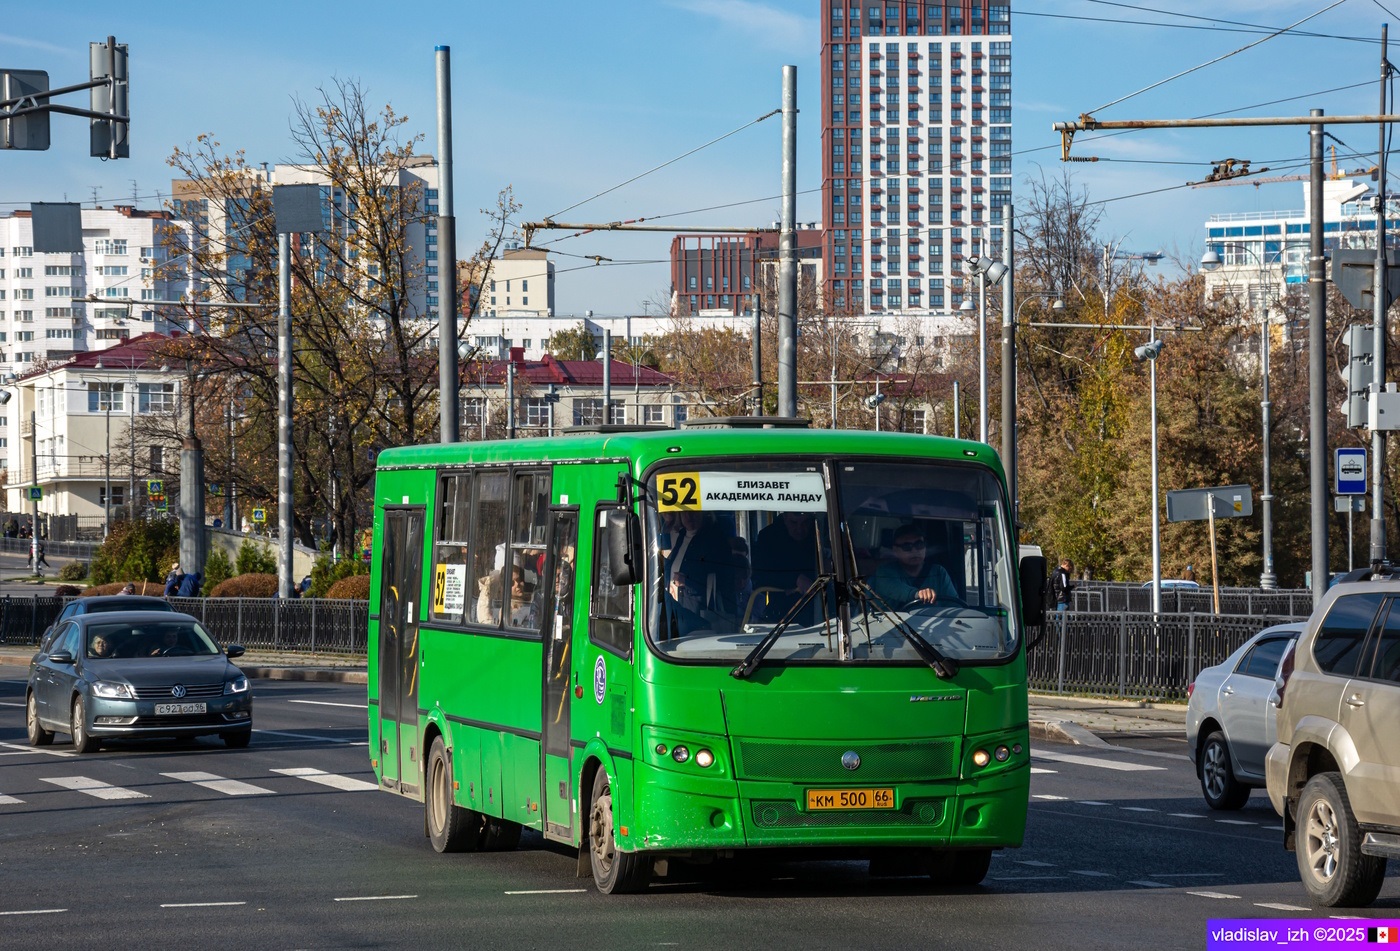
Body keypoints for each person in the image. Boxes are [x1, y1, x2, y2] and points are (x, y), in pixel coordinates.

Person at [751, 511, 827, 622]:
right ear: (785, 518)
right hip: (782, 615)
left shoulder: (821, 534)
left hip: (822, 611)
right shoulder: (768, 538)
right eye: (794, 523)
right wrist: (795, 579)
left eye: (805, 523)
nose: (800, 529)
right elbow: (760, 576)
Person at [871, 523, 959, 607]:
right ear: (895, 550)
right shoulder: (884, 572)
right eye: (907, 546)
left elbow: (955, 605)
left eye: (919, 544)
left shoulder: (939, 572)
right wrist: (918, 594)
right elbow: (897, 590)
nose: (914, 550)